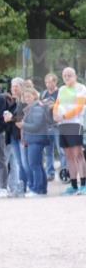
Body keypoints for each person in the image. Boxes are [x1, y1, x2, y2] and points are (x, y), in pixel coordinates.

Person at [53, 67, 86, 195]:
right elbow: (57, 104)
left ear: (75, 76)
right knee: (68, 156)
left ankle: (83, 184)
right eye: (65, 75)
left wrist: (65, 116)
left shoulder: (81, 88)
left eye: (69, 75)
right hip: (62, 125)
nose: (67, 77)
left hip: (75, 124)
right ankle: (73, 185)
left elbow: (79, 107)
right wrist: (55, 115)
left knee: (78, 155)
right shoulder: (61, 89)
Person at [19, 86, 50, 197]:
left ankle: (37, 189)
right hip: (33, 139)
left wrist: (23, 125)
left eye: (29, 96)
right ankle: (41, 189)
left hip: (36, 139)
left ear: (34, 96)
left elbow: (36, 126)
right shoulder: (30, 108)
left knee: (34, 165)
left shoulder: (36, 108)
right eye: (25, 96)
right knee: (38, 165)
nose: (26, 98)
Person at [4, 78, 27, 197]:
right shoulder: (13, 102)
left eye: (16, 86)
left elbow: (23, 117)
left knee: (24, 163)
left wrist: (11, 118)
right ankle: (21, 186)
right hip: (13, 135)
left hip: (22, 135)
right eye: (12, 86)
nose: (14, 88)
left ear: (22, 87)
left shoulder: (25, 101)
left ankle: (25, 187)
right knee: (19, 163)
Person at [41, 73, 65, 182]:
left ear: (55, 82)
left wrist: (54, 106)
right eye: (46, 82)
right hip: (46, 125)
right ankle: (50, 173)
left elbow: (65, 106)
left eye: (50, 82)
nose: (48, 84)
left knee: (61, 150)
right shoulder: (44, 93)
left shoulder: (60, 92)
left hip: (58, 126)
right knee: (48, 151)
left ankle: (65, 172)